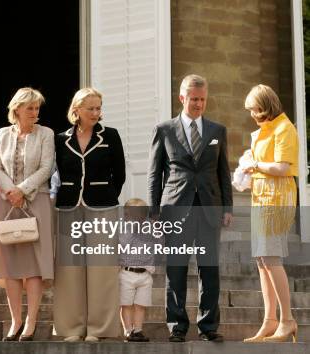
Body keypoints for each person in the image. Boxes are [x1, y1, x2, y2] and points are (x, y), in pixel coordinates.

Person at [147, 74, 233, 342]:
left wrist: (227, 207)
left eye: (202, 99)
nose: (198, 104)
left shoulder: (218, 131)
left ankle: (208, 327)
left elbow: (223, 172)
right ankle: (177, 327)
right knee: (176, 269)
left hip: (209, 208)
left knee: (209, 270)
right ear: (182, 98)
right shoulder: (164, 130)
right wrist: (154, 211)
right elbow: (154, 173)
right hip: (175, 207)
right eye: (194, 99)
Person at [52, 87, 126, 342]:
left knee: (101, 268)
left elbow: (120, 174)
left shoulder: (111, 136)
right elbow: (57, 173)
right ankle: (71, 329)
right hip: (68, 207)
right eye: (90, 108)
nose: (96, 113)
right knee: (69, 271)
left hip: (103, 207)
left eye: (98, 108)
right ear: (77, 110)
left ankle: (99, 329)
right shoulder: (60, 139)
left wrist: (105, 194)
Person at [0, 87, 55, 341]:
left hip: (36, 201)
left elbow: (47, 167)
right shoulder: (2, 134)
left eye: (37, 108)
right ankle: (15, 321)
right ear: (17, 110)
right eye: (30, 108)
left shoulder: (46, 134)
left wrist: (22, 190)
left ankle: (31, 322)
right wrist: (10, 191)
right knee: (10, 264)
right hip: (6, 202)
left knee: (34, 265)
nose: (35, 113)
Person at [241, 84, 298, 343]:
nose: (252, 114)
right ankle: (271, 320)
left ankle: (287, 320)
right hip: (261, 199)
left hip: (277, 201)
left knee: (270, 257)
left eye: (254, 109)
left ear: (266, 105)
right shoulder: (265, 130)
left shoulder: (285, 128)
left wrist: (255, 165)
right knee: (262, 261)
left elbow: (283, 167)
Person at [119, 198, 160, 342]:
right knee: (126, 304)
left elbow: (159, 240)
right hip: (127, 273)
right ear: (127, 215)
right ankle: (128, 331)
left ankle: (138, 330)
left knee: (140, 305)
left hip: (145, 274)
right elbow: (124, 243)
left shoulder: (149, 228)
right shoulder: (124, 229)